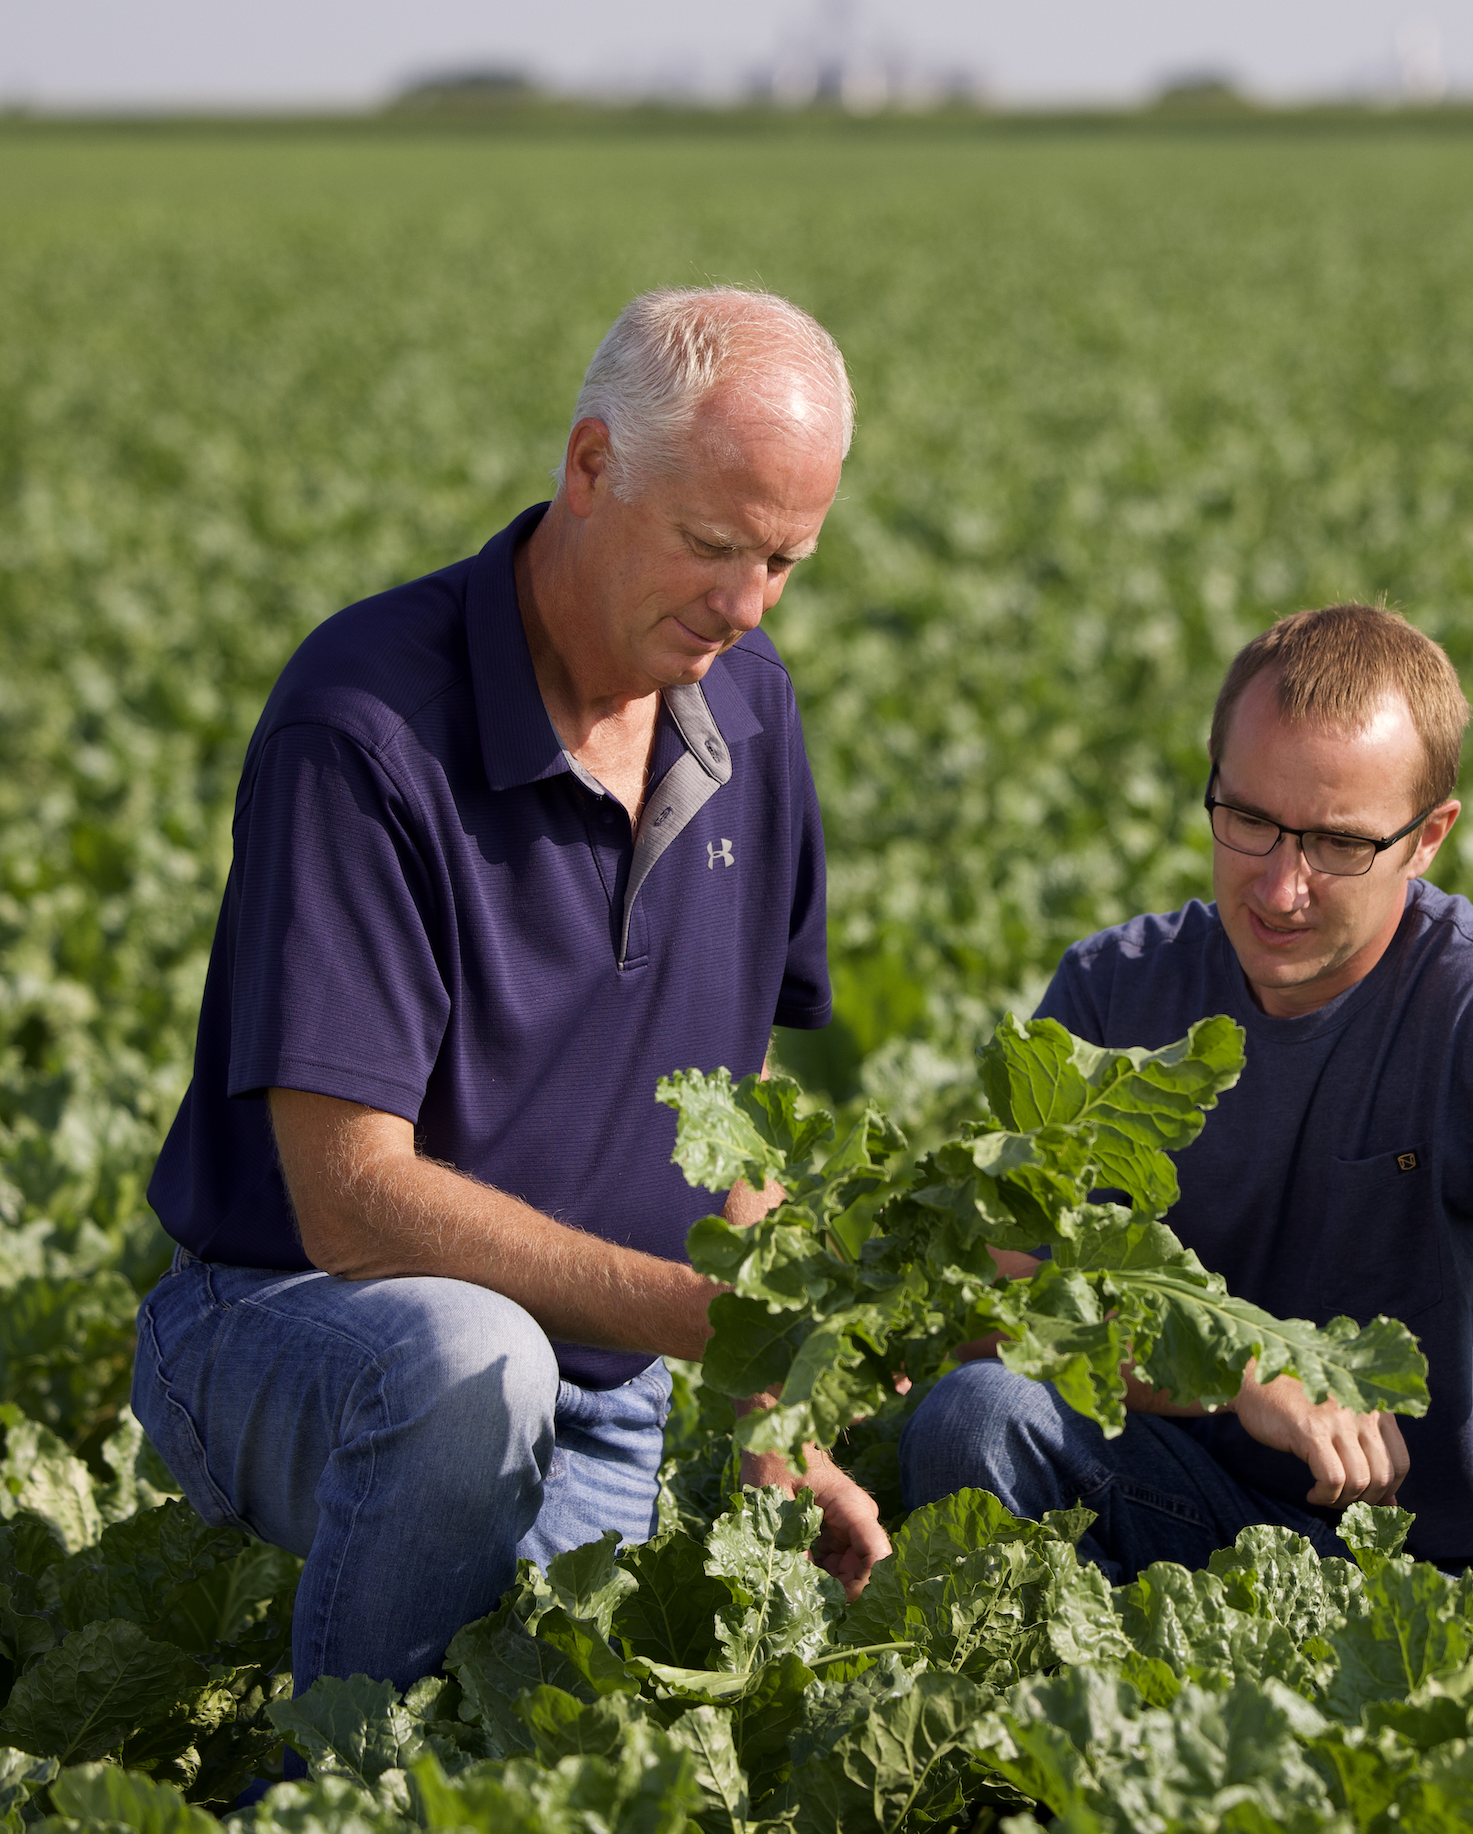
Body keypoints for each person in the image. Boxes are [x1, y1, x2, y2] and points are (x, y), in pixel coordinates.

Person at [130, 287, 891, 1696]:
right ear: (591, 468)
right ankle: (332, 1779)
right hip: (287, 1322)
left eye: (785, 560)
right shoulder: (363, 723)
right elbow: (352, 1203)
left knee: (540, 1756)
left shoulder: (752, 710)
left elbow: (736, 1116)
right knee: (471, 1365)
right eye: (713, 546)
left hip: (607, 1389)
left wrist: (771, 1400)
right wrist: (694, 1321)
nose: (745, 607)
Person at [902, 604, 1473, 1573]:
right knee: (975, 1419)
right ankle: (1023, 1708)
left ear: (1428, 838)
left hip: (1429, 1575)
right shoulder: (1114, 990)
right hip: (1188, 1505)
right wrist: (1230, 1369)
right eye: (1249, 820)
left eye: (1340, 844)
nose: (1281, 887)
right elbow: (991, 1306)